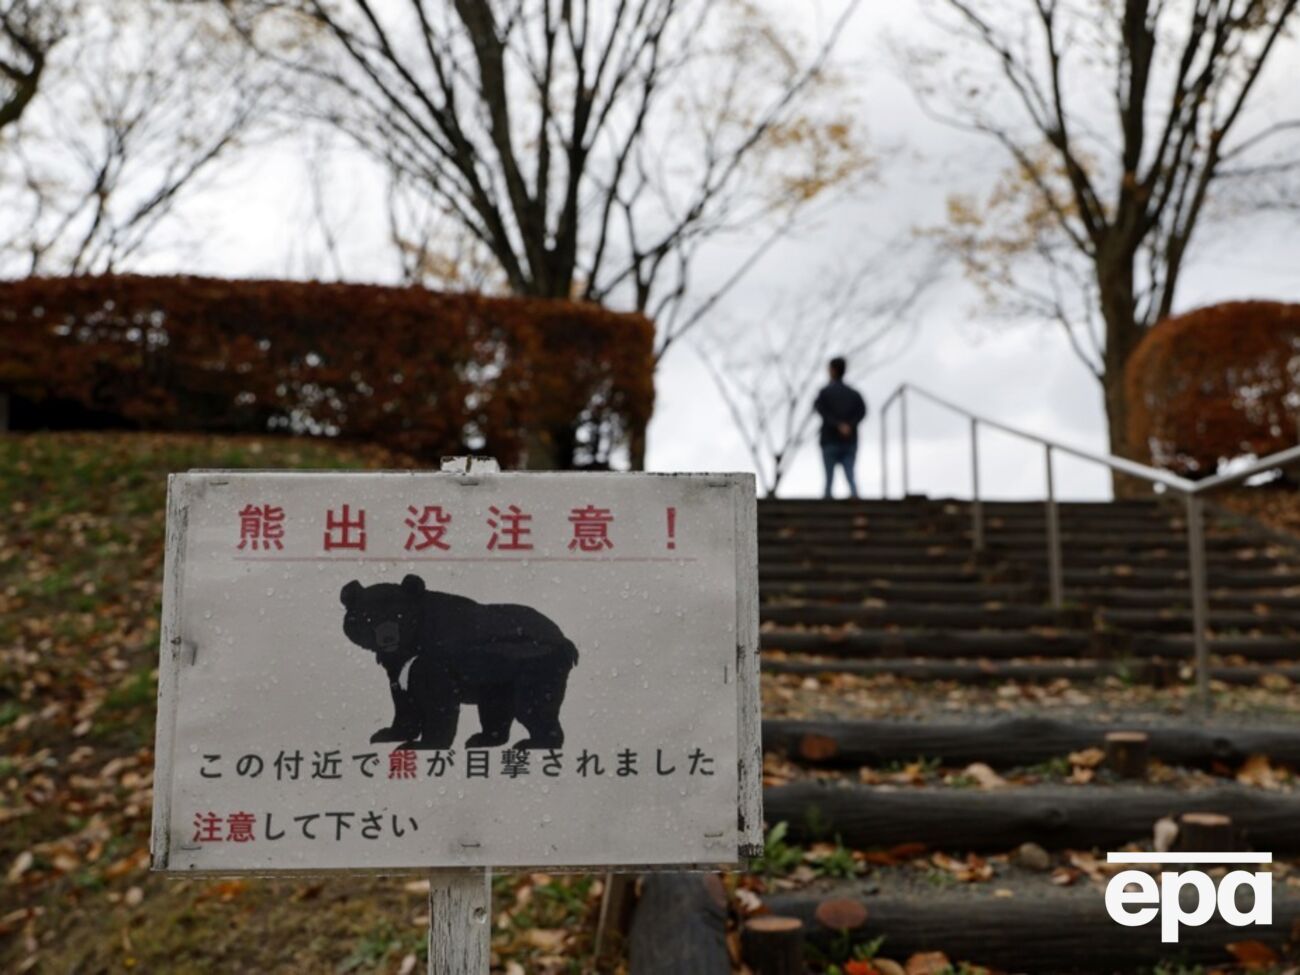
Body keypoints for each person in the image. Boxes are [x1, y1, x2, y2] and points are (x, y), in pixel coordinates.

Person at [813, 356, 867, 499]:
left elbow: (820, 409)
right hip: (849, 440)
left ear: (833, 370)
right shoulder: (854, 394)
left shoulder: (825, 393)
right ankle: (856, 500)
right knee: (850, 474)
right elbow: (862, 412)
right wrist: (849, 425)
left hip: (829, 440)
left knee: (829, 478)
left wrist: (837, 424)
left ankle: (827, 503)